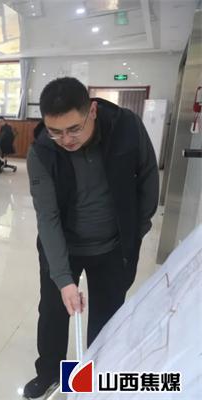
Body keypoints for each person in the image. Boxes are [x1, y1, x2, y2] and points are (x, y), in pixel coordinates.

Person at [23, 77, 159, 398]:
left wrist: (135, 233)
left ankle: (95, 375)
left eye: (74, 129)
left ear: (92, 111)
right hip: (64, 246)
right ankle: (50, 372)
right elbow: (47, 217)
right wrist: (63, 279)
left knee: (108, 313)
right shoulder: (42, 150)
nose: (66, 139)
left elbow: (148, 177)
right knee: (53, 312)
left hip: (113, 245)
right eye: (56, 131)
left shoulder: (127, 127)